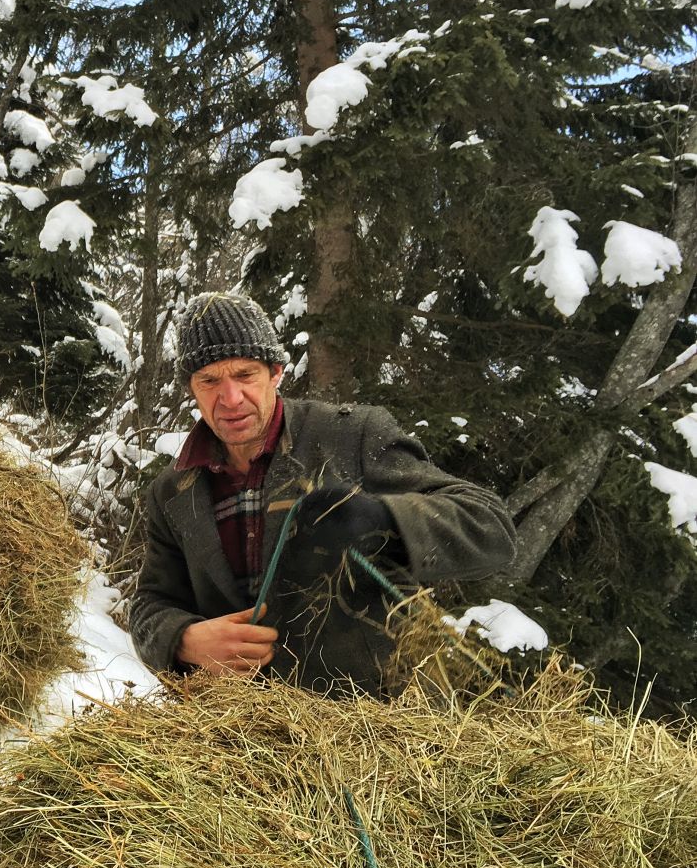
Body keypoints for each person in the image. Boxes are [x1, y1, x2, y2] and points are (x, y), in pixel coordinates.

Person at [129, 291, 516, 696]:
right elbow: (150, 604)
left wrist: (382, 520)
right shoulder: (173, 492)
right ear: (192, 387)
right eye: (209, 381)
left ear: (276, 372)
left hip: (377, 722)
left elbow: (491, 525)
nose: (229, 399)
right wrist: (186, 640)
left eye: (245, 375)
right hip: (246, 733)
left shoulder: (351, 435)